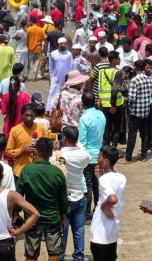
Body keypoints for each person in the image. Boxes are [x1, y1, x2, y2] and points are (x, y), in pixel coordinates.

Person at [17, 137, 68, 261]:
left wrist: (16, 212)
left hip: (32, 219)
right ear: (51, 152)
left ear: (36, 151)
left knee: (31, 253)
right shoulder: (57, 172)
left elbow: (19, 195)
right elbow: (63, 199)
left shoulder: (27, 170)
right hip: (53, 218)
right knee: (54, 253)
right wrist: (63, 216)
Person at [52, 126, 92, 261]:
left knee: (62, 232)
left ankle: (61, 257)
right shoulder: (83, 154)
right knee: (79, 231)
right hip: (80, 194)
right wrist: (78, 142)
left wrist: (57, 148)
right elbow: (87, 156)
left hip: (65, 197)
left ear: (65, 138)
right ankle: (79, 257)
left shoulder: (59, 154)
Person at [90, 145, 126, 261]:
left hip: (101, 232)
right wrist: (100, 177)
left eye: (99, 157)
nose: (97, 159)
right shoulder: (121, 177)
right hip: (112, 231)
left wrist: (103, 206)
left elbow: (112, 198)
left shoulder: (105, 180)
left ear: (106, 161)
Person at [125, 60, 152, 162]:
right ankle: (143, 155)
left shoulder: (134, 80)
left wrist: (126, 98)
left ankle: (128, 157)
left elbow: (132, 98)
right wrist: (151, 94)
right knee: (144, 133)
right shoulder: (149, 79)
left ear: (136, 68)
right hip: (146, 110)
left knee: (132, 135)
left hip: (135, 111)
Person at [78, 92, 106, 222]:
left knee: (88, 186)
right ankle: (97, 210)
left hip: (88, 156)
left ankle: (87, 214)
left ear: (83, 104)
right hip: (99, 155)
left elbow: (81, 140)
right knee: (97, 186)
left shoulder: (84, 118)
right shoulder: (101, 114)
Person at [6, 104, 47, 179]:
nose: (29, 118)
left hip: (38, 171)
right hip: (20, 172)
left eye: (31, 115)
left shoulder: (41, 129)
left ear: (35, 116)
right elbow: (8, 152)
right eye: (26, 115)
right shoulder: (15, 130)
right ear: (22, 116)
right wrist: (22, 150)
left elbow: (47, 148)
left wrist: (39, 150)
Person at [47, 37, 73, 113]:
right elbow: (51, 67)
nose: (65, 45)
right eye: (64, 44)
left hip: (66, 78)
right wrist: (51, 78)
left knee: (65, 93)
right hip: (56, 77)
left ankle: (64, 110)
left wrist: (70, 79)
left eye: (66, 44)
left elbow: (71, 66)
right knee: (52, 93)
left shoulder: (69, 54)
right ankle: (49, 110)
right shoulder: (53, 54)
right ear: (59, 44)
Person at [0, 35, 16, 107]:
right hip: (9, 71)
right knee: (8, 86)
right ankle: (8, 101)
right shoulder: (11, 49)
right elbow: (13, 61)